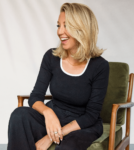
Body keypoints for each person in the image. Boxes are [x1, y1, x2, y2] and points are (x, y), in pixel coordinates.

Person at [7, 2, 109, 150]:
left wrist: (51, 136)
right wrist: (49, 114)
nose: (60, 31)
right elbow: (35, 96)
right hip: (55, 115)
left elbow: (91, 115)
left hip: (82, 124)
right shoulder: (51, 57)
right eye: (58, 25)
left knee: (66, 146)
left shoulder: (100, 66)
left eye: (66, 26)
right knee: (19, 115)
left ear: (82, 29)